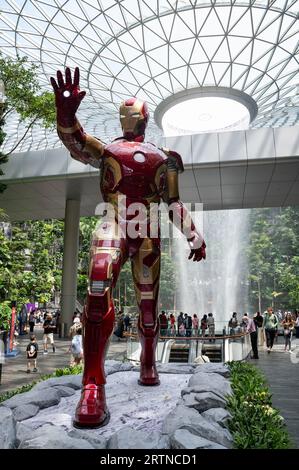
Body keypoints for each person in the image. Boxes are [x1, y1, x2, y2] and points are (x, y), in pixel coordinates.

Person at [51, 66, 206, 429]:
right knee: (100, 281)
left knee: (147, 303)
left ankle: (148, 361)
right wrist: (65, 115)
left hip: (142, 228)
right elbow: (77, 142)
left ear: (140, 119)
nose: (129, 119)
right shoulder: (111, 151)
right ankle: (92, 384)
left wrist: (194, 234)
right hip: (118, 223)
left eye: (130, 114)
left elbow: (174, 202)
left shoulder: (162, 158)